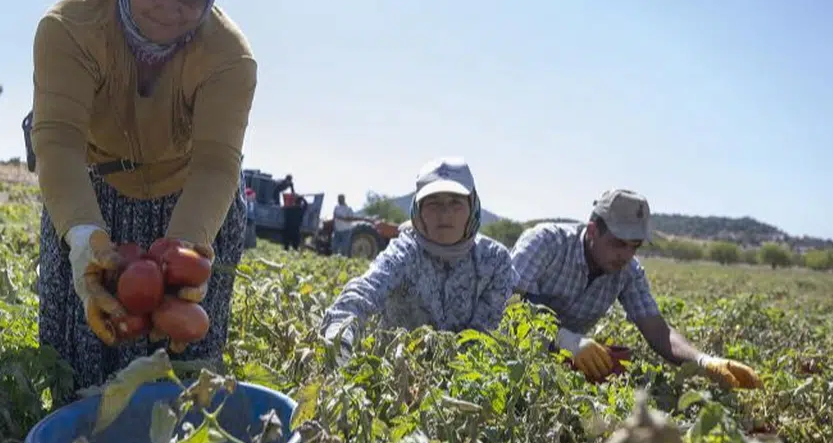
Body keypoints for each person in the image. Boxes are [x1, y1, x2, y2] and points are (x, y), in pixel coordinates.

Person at [30, 0, 257, 393]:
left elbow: (216, 165)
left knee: (183, 362)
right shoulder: (70, 28)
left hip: (191, 199)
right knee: (81, 354)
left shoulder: (229, 57)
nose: (171, 9)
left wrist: (184, 249)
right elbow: (59, 141)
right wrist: (85, 239)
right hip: (91, 191)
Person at [510, 189, 762, 389]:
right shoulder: (545, 243)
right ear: (593, 231)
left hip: (557, 365)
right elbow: (506, 308)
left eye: (635, 246)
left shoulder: (628, 272)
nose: (626, 255)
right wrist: (565, 339)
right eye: (619, 243)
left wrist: (704, 362)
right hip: (507, 356)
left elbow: (659, 332)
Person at [320, 157, 514, 360]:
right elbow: (364, 291)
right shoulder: (405, 252)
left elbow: (485, 335)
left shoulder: (495, 261)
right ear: (418, 210)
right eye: (433, 203)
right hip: (400, 372)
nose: (445, 214)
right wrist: (339, 339)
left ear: (472, 207)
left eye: (455, 202)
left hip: (467, 372)